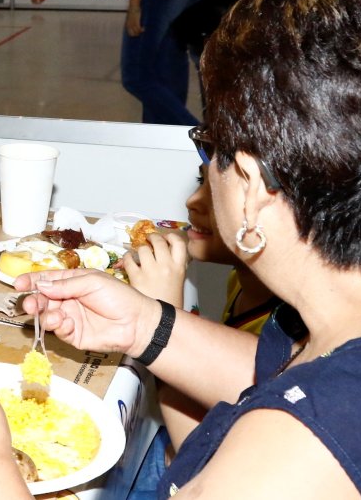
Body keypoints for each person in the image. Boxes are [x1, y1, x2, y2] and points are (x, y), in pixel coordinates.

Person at [0, 0, 361, 498]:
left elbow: (303, 413)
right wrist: (146, 326)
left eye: (210, 148)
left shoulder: (293, 458)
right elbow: (278, 374)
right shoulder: (351, 327)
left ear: (253, 188)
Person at [123, 156, 281, 497]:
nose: (192, 201)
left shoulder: (281, 330)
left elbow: (199, 459)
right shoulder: (245, 280)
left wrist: (163, 321)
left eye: (215, 191)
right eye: (200, 181)